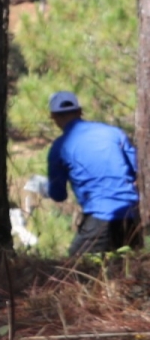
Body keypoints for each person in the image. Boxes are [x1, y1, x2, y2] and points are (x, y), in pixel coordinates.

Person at [45, 90, 142, 257]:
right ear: (80, 111)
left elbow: (58, 195)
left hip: (100, 217)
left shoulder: (59, 148)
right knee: (130, 267)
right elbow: (139, 169)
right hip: (133, 215)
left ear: (53, 117)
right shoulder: (114, 133)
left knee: (75, 269)